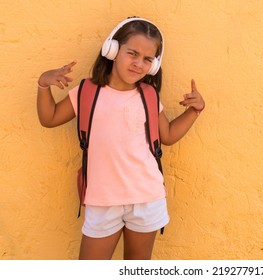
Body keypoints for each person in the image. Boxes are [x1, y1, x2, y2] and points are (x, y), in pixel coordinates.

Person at [36, 17, 205, 260]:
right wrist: (43, 84)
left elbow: (167, 136)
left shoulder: (148, 94)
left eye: (147, 59)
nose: (138, 63)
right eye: (132, 53)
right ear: (112, 50)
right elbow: (49, 118)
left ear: (154, 65)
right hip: (102, 200)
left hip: (146, 197)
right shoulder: (86, 91)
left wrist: (195, 111)